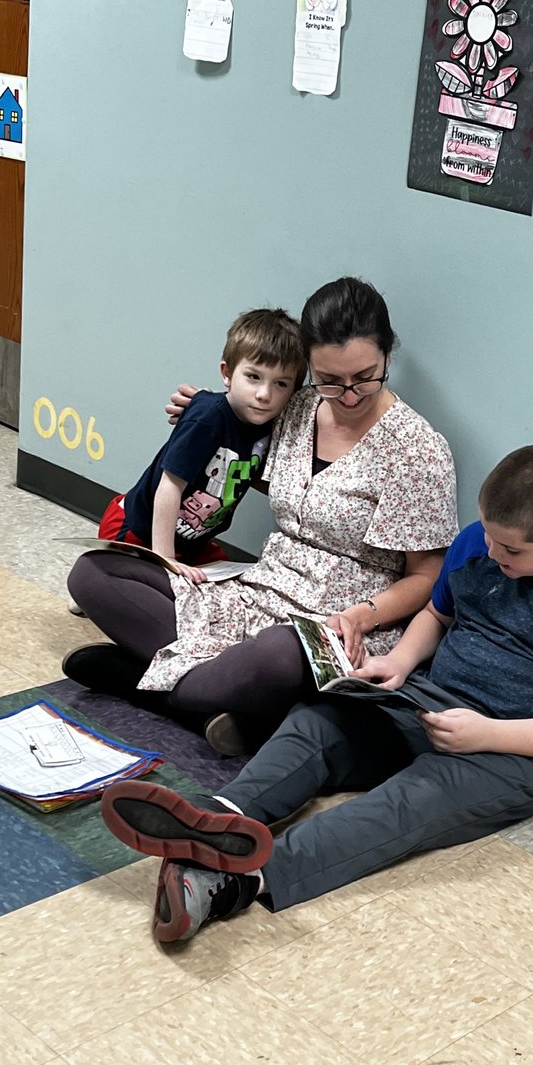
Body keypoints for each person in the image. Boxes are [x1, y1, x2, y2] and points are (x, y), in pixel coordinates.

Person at [99, 445, 533, 943]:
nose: (493, 552)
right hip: (429, 699)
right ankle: (222, 814)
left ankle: (230, 882)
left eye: (513, 552)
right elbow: (437, 611)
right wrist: (399, 663)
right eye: (489, 538)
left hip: (515, 750)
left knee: (404, 805)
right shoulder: (481, 541)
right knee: (320, 719)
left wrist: (487, 733)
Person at [65, 277, 459, 755]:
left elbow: (429, 576)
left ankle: (141, 682)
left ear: (388, 358)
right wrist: (201, 414)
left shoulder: (417, 451)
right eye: (330, 380)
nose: (349, 395)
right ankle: (220, 698)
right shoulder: (296, 407)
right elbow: (239, 429)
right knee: (93, 573)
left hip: (341, 617)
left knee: (281, 653)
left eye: (366, 377)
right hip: (257, 589)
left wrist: (362, 614)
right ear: (308, 367)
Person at [95, 308, 305, 584]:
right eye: (253, 377)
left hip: (190, 541)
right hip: (139, 529)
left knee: (232, 586)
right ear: (227, 373)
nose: (264, 394)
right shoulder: (208, 417)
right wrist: (165, 558)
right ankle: (97, 581)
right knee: (142, 588)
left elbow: (257, 476)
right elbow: (169, 485)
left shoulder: (266, 427)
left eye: (280, 384)